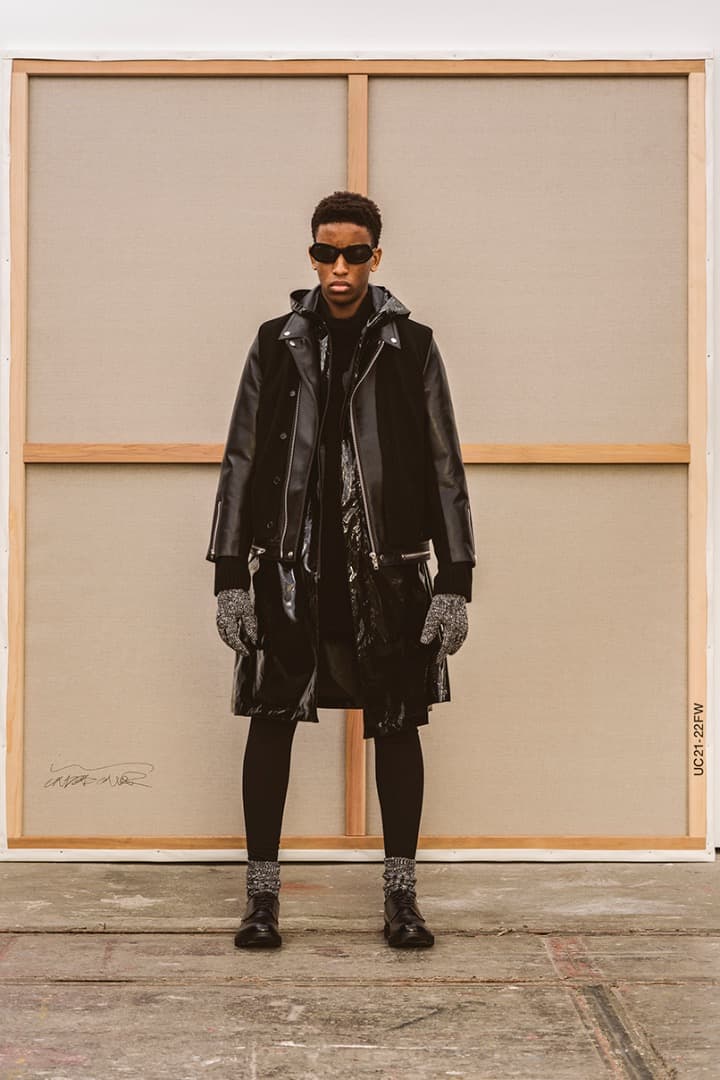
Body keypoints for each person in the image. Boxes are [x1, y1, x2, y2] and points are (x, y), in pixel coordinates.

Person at [207, 190, 475, 949]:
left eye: (355, 254)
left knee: (397, 726)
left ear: (375, 257)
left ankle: (402, 899)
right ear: (312, 255)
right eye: (326, 253)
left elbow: (445, 466)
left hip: (387, 572)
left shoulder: (411, 346)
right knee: (270, 723)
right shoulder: (276, 342)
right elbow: (241, 459)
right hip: (289, 569)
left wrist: (455, 580)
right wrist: (229, 574)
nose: (339, 268)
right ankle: (262, 900)